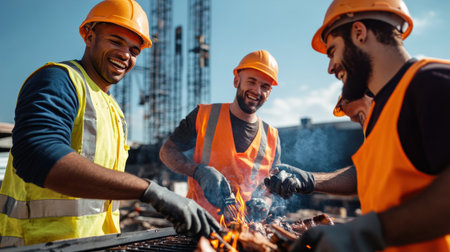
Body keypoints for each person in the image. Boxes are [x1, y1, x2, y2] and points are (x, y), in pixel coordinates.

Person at [0, 0, 219, 247]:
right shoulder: (59, 80)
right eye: (116, 41)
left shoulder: (112, 108)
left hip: (94, 244)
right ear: (89, 36)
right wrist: (151, 190)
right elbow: (37, 155)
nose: (126, 55)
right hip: (37, 243)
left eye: (134, 51)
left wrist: (196, 171)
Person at [265, 0, 450, 251]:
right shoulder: (381, 111)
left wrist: (367, 231)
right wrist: (309, 179)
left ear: (359, 33)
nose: (330, 67)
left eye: (332, 51)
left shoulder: (431, 82)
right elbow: (372, 175)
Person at [159, 50, 299, 222]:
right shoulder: (204, 116)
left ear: (269, 92)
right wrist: (198, 172)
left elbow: (270, 189)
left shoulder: (272, 137)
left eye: (265, 87)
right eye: (252, 81)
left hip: (243, 235)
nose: (257, 90)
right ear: (236, 81)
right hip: (198, 226)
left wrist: (265, 202)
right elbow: (167, 152)